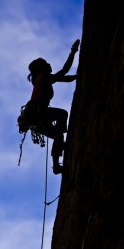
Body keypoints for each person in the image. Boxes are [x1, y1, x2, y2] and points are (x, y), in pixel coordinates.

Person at [25, 39, 80, 174]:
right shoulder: (43, 77)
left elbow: (63, 77)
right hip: (39, 113)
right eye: (46, 63)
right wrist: (73, 52)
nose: (49, 64)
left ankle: (56, 165)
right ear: (41, 68)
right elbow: (64, 71)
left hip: (34, 118)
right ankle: (60, 149)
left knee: (58, 135)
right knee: (62, 115)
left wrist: (76, 77)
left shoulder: (41, 79)